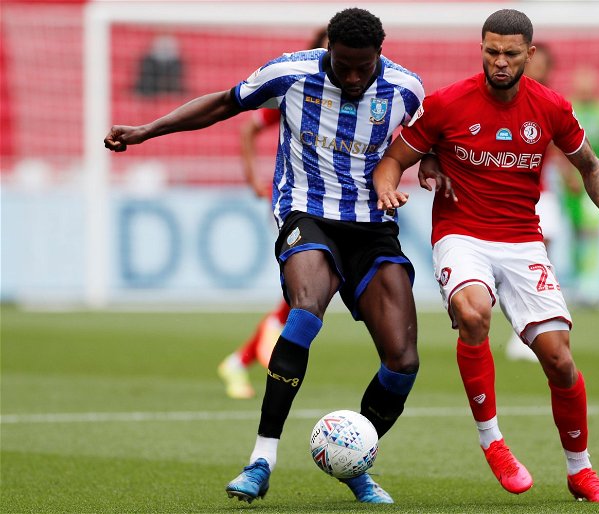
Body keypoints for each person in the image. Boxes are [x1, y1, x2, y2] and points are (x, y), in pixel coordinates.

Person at [105, 8, 425, 505]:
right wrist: (148, 130)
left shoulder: (406, 90)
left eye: (365, 66)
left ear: (380, 54)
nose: (356, 76)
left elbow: (431, 142)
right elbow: (223, 105)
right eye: (345, 65)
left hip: (372, 227)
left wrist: (435, 170)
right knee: (304, 312)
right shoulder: (291, 74)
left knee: (403, 362)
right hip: (306, 213)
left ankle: (354, 462)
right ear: (329, 53)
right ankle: (261, 459)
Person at [374, 9, 599, 503]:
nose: (499, 62)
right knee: (472, 312)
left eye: (509, 53)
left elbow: (589, 164)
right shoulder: (447, 104)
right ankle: (493, 441)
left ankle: (580, 471)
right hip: (461, 235)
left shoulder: (550, 107)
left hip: (523, 240)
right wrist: (389, 188)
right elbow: (394, 158)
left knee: (559, 360)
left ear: (530, 53)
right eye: (491, 51)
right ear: (481, 48)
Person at [217, 28, 329, 400]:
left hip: (337, 209)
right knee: (304, 294)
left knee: (309, 293)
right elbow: (250, 127)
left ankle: (240, 358)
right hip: (298, 203)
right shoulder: (301, 89)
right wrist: (252, 178)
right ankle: (260, 347)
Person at [504, 41, 559, 363]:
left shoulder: (553, 104)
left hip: (541, 193)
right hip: (506, 196)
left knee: (541, 261)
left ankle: (525, 333)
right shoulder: (508, 97)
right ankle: (519, 327)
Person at [558, 66, 599, 307]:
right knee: (575, 232)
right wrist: (565, 174)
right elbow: (556, 147)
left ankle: (592, 285)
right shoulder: (567, 108)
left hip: (595, 181)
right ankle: (578, 281)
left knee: (592, 231)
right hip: (570, 184)